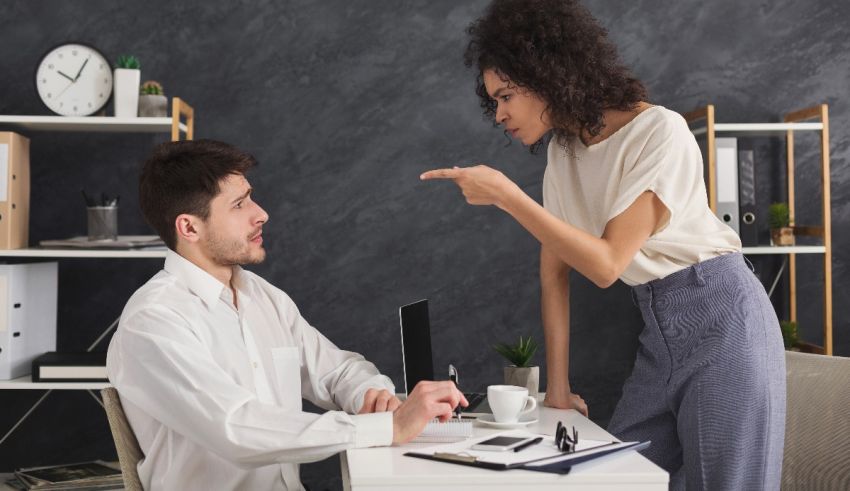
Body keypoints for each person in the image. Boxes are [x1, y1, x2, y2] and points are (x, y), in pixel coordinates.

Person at [421, 1, 785, 489]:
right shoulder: (563, 155)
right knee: (614, 478)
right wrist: (559, 389)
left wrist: (509, 197)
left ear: (546, 72)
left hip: (723, 317)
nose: (499, 114)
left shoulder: (660, 132)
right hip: (658, 329)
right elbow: (555, 270)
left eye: (506, 96)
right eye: (494, 102)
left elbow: (608, 263)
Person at [106, 139, 466, 491]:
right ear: (189, 228)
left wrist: (373, 396)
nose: (261, 213)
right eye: (239, 204)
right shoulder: (153, 321)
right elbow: (237, 429)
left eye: (251, 197)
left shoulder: (262, 296)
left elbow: (336, 369)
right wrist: (386, 427)